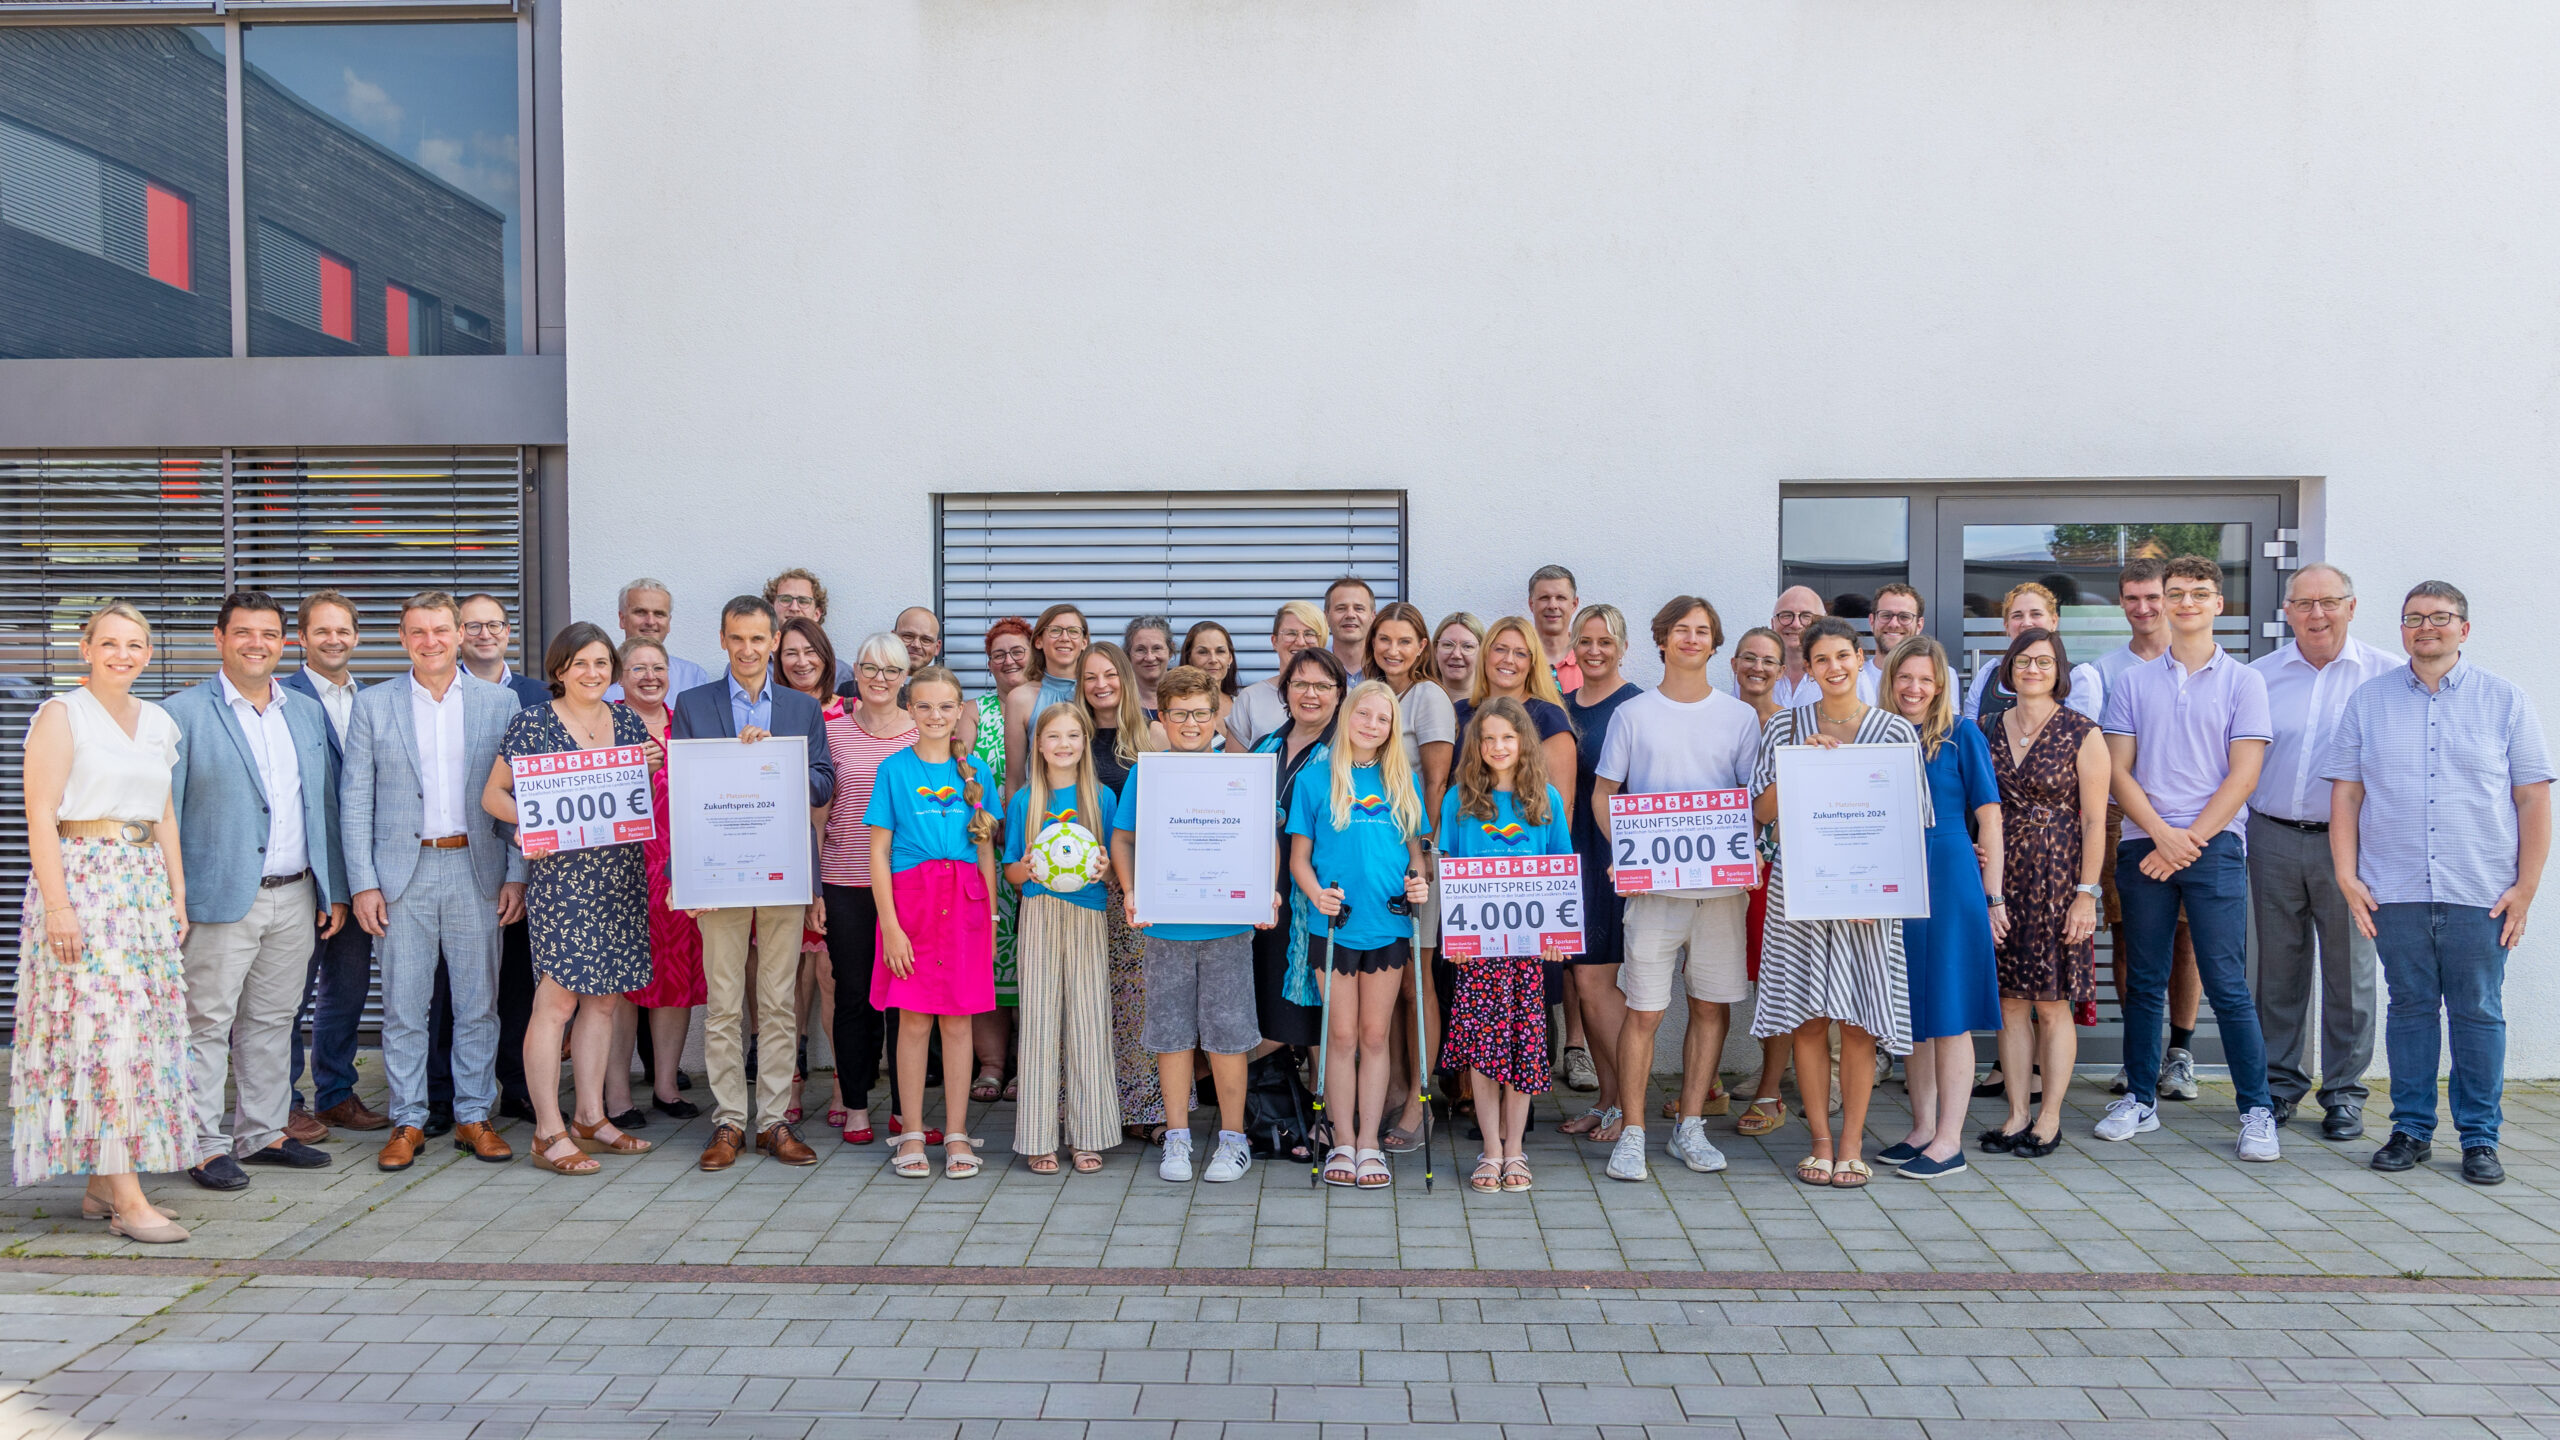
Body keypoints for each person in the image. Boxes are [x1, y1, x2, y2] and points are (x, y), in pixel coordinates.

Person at [2330, 581, 2552, 1187]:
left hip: (2481, 891)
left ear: (2464, 628)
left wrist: (2525, 889)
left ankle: (2480, 1139)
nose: (2425, 627)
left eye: (2440, 617)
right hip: (2394, 889)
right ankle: (2411, 1131)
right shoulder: (2369, 701)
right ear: (2401, 628)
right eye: (2413, 618)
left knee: (2478, 1012)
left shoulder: (2504, 700)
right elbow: (2347, 793)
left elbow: (2532, 799)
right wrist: (2348, 876)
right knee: (2409, 1010)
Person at [14, 601, 195, 1242]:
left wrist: (177, 894)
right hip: (83, 886)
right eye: (111, 642)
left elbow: (164, 814)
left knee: (140, 1035)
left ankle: (99, 1186)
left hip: (142, 890)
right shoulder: (62, 715)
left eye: (137, 644)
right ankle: (127, 1200)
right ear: (85, 647)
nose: (124, 654)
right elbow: (40, 816)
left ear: (149, 652)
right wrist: (59, 908)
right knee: (104, 1035)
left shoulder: (160, 721)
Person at [2098, 555, 2278, 1160]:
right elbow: (2117, 771)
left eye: (2199, 593)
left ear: (2218, 604)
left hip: (2215, 844)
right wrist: (2161, 835)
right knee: (2145, 981)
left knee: (2227, 983)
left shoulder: (2244, 682)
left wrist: (2188, 840)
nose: (2185, 603)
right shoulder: (2132, 682)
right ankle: (2140, 1100)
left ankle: (2257, 1111)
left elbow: (2245, 774)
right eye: (2176, 593)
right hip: (2144, 846)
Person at [167, 591, 346, 1191]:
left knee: (273, 1018)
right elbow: (164, 813)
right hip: (218, 897)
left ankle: (264, 1131)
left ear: (283, 642)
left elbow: (322, 804)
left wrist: (334, 890)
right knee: (206, 1022)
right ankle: (201, 1142)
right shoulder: (182, 714)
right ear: (219, 639)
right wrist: (173, 897)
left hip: (295, 893)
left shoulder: (302, 711)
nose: (256, 644)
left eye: (268, 634)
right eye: (243, 632)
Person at [341, 591, 526, 1171]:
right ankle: (408, 1120)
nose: (431, 642)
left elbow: (523, 795)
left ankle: (474, 1115)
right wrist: (363, 884)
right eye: (417, 632)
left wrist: (517, 874)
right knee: (403, 1007)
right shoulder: (373, 705)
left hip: (477, 869)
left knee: (478, 1003)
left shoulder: (500, 704)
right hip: (403, 875)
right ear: (402, 638)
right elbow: (355, 802)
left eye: (440, 630)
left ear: (458, 634)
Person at [1590, 597, 1761, 1182]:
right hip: (1653, 893)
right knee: (1644, 1010)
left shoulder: (1739, 717)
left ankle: (1691, 1126)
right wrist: (1625, 855)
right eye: (1681, 630)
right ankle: (1633, 1133)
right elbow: (1602, 794)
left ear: (1715, 644)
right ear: (1661, 639)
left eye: (1703, 631)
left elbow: (1750, 803)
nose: (1691, 639)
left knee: (1711, 1007)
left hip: (1720, 893)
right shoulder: (1633, 715)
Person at [480, 623, 658, 1175]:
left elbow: (626, 799)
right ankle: (548, 1131)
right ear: (560, 669)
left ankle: (590, 1116)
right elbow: (493, 796)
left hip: (619, 875)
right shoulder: (533, 723)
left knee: (604, 1001)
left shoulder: (626, 720)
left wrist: (645, 769)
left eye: (602, 663)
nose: (593, 673)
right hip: (563, 879)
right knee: (556, 1004)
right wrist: (543, 819)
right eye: (581, 663)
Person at [1749, 617, 1920, 1190]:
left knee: (1858, 1023)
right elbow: (1761, 814)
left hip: (1867, 902)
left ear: (1859, 656)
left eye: (1843, 656)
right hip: (1801, 893)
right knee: (1808, 1016)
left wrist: (1880, 893)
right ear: (1809, 665)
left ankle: (1852, 1142)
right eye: (1822, 659)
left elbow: (1911, 824)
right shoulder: (1783, 728)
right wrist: (1801, 761)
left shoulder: (1894, 732)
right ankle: (1820, 1140)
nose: (1834, 668)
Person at [671, 596, 837, 1171]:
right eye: (737, 639)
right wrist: (683, 877)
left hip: (782, 870)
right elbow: (685, 791)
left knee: (777, 1004)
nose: (747, 650)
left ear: (773, 643)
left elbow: (822, 785)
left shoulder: (799, 709)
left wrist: (777, 762)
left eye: (757, 640)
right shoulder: (694, 705)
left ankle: (773, 1121)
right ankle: (728, 1122)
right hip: (718, 873)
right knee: (722, 1005)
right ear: (723, 640)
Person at [2249, 563, 2396, 1140]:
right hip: (2272, 837)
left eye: (2329, 602)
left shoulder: (2386, 676)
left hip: (2353, 849)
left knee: (2351, 975)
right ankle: (2280, 1086)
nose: (2316, 614)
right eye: (2304, 604)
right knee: (2278, 973)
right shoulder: (2257, 677)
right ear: (2286, 611)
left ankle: (2344, 1094)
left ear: (2351, 607)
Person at [1117, 664, 1271, 1185]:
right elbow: (1123, 839)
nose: (1190, 723)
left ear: (1216, 715)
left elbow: (1264, 840)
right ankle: (1177, 1139)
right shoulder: (1150, 771)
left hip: (1227, 927)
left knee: (1228, 1038)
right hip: (1167, 928)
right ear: (1161, 716)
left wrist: (1265, 889)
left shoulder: (1242, 769)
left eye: (1200, 714)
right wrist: (1133, 890)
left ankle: (1232, 1140)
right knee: (1171, 1036)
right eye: (1179, 714)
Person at [1290, 680, 1431, 1188]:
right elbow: (1299, 860)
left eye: (1383, 718)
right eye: (1364, 714)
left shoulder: (1400, 781)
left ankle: (1369, 1142)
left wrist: (1418, 881)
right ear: (1346, 714)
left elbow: (1416, 855)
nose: (1372, 724)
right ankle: (1342, 1141)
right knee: (1341, 1037)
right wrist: (1314, 894)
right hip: (1335, 925)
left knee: (1375, 1036)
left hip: (1388, 923)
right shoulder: (1316, 778)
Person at [1875, 636, 2001, 1180]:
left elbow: (1989, 817)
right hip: (1897, 878)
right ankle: (1923, 1128)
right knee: (1915, 1013)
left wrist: (1993, 896)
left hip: (1950, 877)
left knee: (1950, 1016)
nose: (1915, 688)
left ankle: (1951, 1141)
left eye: (1926, 679)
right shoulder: (1877, 736)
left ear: (1941, 684)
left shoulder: (1960, 735)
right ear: (1890, 680)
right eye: (1905, 677)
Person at [867, 666, 999, 1180]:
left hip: (964, 904)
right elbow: (878, 853)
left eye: (946, 706)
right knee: (914, 1019)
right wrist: (892, 926)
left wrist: (988, 916)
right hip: (913, 905)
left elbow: (985, 847)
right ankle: (914, 1132)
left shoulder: (977, 772)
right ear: (910, 711)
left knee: (960, 1018)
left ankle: (960, 1131)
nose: (936, 716)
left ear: (959, 709)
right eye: (924, 706)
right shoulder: (894, 769)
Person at [1983, 627, 2107, 1159]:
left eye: (2044, 661)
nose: (2033, 669)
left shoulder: (2083, 732)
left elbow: (2097, 822)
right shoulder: (1985, 728)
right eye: (2023, 661)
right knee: (2010, 1003)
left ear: (2060, 671)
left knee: (2053, 1004)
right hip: (2001, 878)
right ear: (2008, 670)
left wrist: (2087, 894)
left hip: (2060, 879)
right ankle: (2016, 1114)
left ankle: (2050, 1117)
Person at [1437, 698, 1569, 1194]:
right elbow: (1450, 875)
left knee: (1522, 1048)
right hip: (1478, 952)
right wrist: (1456, 938)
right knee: (1483, 1051)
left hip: (1527, 953)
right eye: (1488, 738)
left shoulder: (1545, 799)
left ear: (1523, 744)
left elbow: (1561, 870)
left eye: (1507, 738)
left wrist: (1557, 936)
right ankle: (1490, 1150)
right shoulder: (1460, 800)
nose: (1497, 747)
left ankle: (1516, 1149)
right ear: (1477, 745)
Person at [2088, 557, 2200, 1097]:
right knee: (2131, 940)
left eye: (2153, 596)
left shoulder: (2204, 666)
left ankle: (2179, 1054)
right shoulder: (2107, 672)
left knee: (2186, 941)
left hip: (2191, 824)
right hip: (2123, 820)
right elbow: (2104, 762)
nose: (2144, 608)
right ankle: (2139, 1058)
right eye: (2132, 598)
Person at [280, 589, 382, 1138]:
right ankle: (282, 1100)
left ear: (357, 637)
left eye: (343, 631)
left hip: (359, 872)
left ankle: (336, 1093)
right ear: (302, 638)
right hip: (302, 873)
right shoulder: (281, 696)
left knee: (347, 986)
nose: (334, 640)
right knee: (287, 993)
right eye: (322, 631)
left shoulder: (372, 700)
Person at [1002, 702, 1121, 1175]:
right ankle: (1039, 1136)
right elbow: (1010, 870)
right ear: (1039, 745)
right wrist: (1025, 867)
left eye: (1073, 736)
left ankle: (1088, 1134)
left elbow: (1113, 866)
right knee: (1039, 1020)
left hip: (1089, 915)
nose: (1064, 745)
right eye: (1054, 737)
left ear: (1084, 743)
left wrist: (1107, 869)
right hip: (1039, 914)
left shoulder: (1100, 799)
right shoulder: (1025, 801)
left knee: (1089, 1019)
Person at [812, 634, 918, 1146]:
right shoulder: (832, 732)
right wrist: (813, 891)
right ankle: (855, 1107)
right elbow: (817, 818)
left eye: (891, 670)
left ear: (905, 677)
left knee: (905, 999)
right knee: (853, 996)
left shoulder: (922, 732)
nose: (880, 678)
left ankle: (904, 1110)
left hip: (908, 887)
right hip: (845, 883)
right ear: (857, 671)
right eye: (871, 669)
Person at [1365, 602, 1457, 1153]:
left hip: (1414, 856)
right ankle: (1394, 1086)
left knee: (1414, 982)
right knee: (1385, 983)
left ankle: (1418, 1102)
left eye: (1404, 640)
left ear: (1421, 647)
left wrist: (1418, 856)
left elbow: (1436, 786)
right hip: (1371, 860)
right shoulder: (1369, 695)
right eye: (1385, 639)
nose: (1393, 649)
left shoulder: (1429, 698)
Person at [458, 592, 546, 1124]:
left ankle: (515, 1084)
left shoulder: (537, 695)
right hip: (456, 858)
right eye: (474, 626)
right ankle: (445, 1090)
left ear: (509, 631)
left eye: (495, 625)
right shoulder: (444, 694)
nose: (485, 634)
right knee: (456, 985)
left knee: (517, 978)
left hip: (523, 859)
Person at [1558, 605, 1642, 1129]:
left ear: (1623, 647)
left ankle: (1623, 1108)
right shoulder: (1561, 707)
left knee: (1595, 983)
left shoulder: (1636, 706)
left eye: (1605, 642)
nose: (1594, 651)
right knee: (1585, 983)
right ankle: (1608, 1101)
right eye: (1585, 641)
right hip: (1569, 855)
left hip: (1613, 860)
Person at [1078, 641, 1165, 1141]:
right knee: (1090, 998)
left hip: (1133, 886)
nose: (1101, 685)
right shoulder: (1071, 731)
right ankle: (1094, 1106)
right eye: (1090, 677)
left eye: (1109, 674)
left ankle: (1147, 1111)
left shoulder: (1151, 732)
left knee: (1137, 1001)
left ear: (1125, 678)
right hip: (1081, 885)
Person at [614, 637, 704, 1122]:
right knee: (621, 988)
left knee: (674, 980)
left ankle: (667, 1086)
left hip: (676, 871)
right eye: (637, 668)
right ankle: (616, 1096)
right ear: (620, 674)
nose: (649, 676)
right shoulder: (604, 723)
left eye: (658, 667)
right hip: (620, 874)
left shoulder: (683, 724)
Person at [1248, 648, 1346, 1058]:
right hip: (1260, 895)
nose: (1310, 694)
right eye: (1300, 683)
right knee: (1265, 1001)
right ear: (1285, 689)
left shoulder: (1346, 752)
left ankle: (1323, 1111)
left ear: (1340, 694)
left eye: (1323, 686)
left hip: (1313, 893)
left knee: (1310, 1016)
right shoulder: (1263, 746)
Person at [776, 618, 849, 1126]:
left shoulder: (851, 711)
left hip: (840, 857)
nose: (801, 661)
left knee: (830, 975)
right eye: (790, 653)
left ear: (826, 655)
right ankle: (790, 1082)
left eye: (810, 652)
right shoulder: (770, 714)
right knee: (783, 979)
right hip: (780, 856)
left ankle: (846, 1086)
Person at [1727, 626, 1797, 1141]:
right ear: (1732, 663)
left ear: (1781, 669)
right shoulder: (1715, 715)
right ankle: (1707, 1084)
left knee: (1772, 976)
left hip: (1773, 866)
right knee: (1709, 975)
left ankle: (1770, 1090)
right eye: (1749, 658)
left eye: (1768, 660)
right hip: (1714, 864)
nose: (1758, 667)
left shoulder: (1793, 726)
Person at [972, 618, 1034, 1099]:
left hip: (1038, 849)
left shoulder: (1046, 702)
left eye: (1018, 651)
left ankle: (1028, 1066)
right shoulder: (972, 711)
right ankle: (991, 1065)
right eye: (999, 653)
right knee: (992, 959)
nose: (1009, 661)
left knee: (1031, 962)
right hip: (987, 849)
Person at [1454, 617, 1578, 824]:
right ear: (1485, 654)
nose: (1509, 659)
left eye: (1520, 653)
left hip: (1527, 848)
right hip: (1469, 844)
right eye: (1500, 649)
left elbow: (1563, 806)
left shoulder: (1549, 718)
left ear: (1531, 664)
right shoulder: (1460, 713)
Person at [1962, 583, 2104, 727]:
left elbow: (2079, 739)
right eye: (2017, 616)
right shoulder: (1989, 674)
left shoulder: (2078, 677)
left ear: (2054, 621)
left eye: (2036, 614)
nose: (2027, 623)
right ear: (2006, 625)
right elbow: (1972, 737)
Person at [1005, 604, 1091, 790]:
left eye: (1073, 631)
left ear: (1084, 642)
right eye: (1055, 631)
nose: (1065, 638)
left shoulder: (1096, 692)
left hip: (1093, 805)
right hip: (1040, 808)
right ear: (1038, 641)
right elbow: (1015, 778)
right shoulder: (1020, 699)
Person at [1226, 601, 1328, 751]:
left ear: (1322, 642)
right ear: (1274, 641)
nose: (1300, 642)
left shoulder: (1345, 696)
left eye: (1309, 634)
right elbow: (1235, 768)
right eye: (1291, 633)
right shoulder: (1250, 698)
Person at [609, 578, 712, 699]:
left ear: (668, 623)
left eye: (659, 614)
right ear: (622, 619)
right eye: (641, 612)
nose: (651, 622)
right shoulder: (598, 674)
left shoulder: (693, 677)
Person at [765, 568, 856, 690]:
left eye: (803, 601)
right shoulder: (754, 668)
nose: (794, 607)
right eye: (785, 599)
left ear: (817, 614)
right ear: (771, 608)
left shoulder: (841, 673)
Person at [1857, 584, 1925, 705]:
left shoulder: (1940, 675)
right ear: (1872, 621)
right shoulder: (1853, 678)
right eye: (1886, 615)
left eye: (1904, 617)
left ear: (1919, 625)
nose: (1894, 624)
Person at [1527, 566, 1585, 695]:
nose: (1553, 605)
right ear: (1531, 604)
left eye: (1560, 598)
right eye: (1544, 598)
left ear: (1574, 604)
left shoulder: (1589, 658)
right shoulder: (1516, 658)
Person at [1179, 620, 1241, 739]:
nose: (1213, 659)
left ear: (1230, 658)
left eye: (1220, 651)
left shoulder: (1243, 706)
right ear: (1189, 658)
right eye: (1203, 652)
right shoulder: (1177, 711)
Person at [1769, 587, 1827, 709]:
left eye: (1806, 616)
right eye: (1786, 615)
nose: (1795, 624)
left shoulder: (1837, 677)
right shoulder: (1758, 675)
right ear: (1773, 624)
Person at [1324, 576, 1377, 684]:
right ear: (1326, 617)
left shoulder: (1387, 668)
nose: (1350, 615)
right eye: (1341, 608)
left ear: (1372, 617)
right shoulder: (1314, 666)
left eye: (1359, 608)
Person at [1123, 616, 1174, 718]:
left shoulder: (1186, 697)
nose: (1150, 658)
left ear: (1170, 652)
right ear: (1128, 655)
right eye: (1140, 650)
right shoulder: (1120, 703)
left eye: (1157, 648)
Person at [1432, 612, 1484, 708]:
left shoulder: (1492, 709)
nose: (1456, 654)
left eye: (1467, 646)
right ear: (1435, 650)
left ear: (1481, 653)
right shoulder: (1419, 704)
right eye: (1448, 645)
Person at [894, 606, 944, 674]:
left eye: (926, 640)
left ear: (937, 648)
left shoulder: (944, 684)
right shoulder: (876, 681)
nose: (916, 645)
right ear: (892, 638)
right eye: (908, 636)